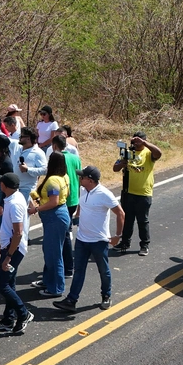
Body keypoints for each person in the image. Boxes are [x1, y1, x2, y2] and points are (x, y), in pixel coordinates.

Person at [54, 166, 125, 313]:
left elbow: (121, 214)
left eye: (83, 177)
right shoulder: (83, 190)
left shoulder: (104, 194)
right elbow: (82, 203)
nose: (80, 178)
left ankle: (106, 295)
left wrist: (117, 236)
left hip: (99, 241)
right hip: (82, 239)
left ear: (90, 180)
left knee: (103, 270)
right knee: (79, 270)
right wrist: (78, 216)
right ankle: (71, 300)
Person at [0, 173, 33, 334]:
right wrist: (0, 244)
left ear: (4, 186)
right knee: (10, 284)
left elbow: (18, 233)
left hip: (14, 250)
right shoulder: (15, 197)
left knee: (1, 285)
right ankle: (8, 318)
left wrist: (8, 256)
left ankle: (23, 313)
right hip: (9, 247)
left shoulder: (14, 204)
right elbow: (8, 229)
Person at [28, 152, 71, 298]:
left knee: (54, 254)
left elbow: (54, 201)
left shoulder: (53, 180)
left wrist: (36, 208)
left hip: (55, 218)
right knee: (49, 250)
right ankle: (48, 280)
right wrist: (40, 199)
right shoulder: (64, 176)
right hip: (59, 215)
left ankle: (56, 288)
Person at [113, 131, 162, 255]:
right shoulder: (128, 152)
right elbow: (115, 168)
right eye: (134, 141)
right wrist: (121, 164)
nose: (136, 143)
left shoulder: (148, 153)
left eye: (138, 141)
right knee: (127, 219)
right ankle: (125, 242)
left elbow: (159, 153)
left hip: (143, 193)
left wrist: (145, 143)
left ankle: (144, 245)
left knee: (142, 220)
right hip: (128, 192)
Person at [52, 134, 81, 278]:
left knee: (64, 234)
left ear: (55, 146)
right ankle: (66, 265)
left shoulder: (58, 158)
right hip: (74, 198)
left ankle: (68, 267)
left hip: (63, 199)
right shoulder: (75, 158)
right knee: (66, 232)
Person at [15, 127, 48, 201]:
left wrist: (28, 169)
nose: (20, 138)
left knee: (25, 212)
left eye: (22, 136)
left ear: (28, 138)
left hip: (27, 189)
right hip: (15, 188)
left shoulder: (38, 152)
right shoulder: (18, 148)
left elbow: (44, 170)